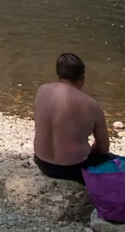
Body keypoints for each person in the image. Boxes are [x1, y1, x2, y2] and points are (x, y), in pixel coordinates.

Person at [32, 52, 113, 181]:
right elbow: (104, 148)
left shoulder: (42, 91)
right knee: (107, 159)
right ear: (82, 78)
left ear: (58, 73)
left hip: (42, 162)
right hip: (73, 169)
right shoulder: (92, 105)